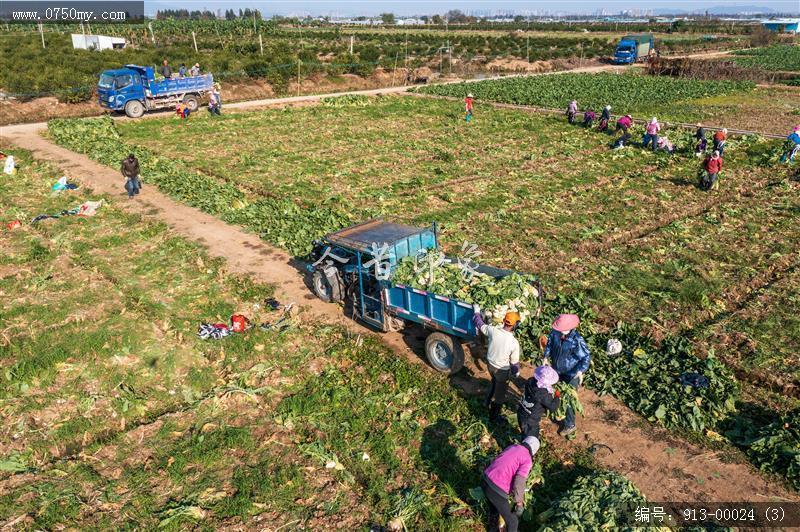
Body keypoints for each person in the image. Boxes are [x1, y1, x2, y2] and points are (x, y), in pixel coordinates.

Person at [542, 314, 590, 436]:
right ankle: (556, 412)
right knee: (555, 392)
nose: (560, 332)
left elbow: (585, 357)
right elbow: (549, 345)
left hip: (571, 373)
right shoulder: (555, 333)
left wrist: (580, 371)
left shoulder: (577, 340)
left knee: (569, 399)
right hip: (557, 370)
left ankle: (570, 424)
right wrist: (546, 357)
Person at [473, 306, 521, 423]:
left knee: (494, 382)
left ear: (504, 321)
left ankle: (486, 401)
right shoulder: (514, 343)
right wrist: (516, 373)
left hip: (490, 365)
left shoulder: (493, 330)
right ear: (515, 326)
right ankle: (494, 417)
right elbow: (514, 363)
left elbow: (478, 323)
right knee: (500, 395)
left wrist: (476, 311)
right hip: (502, 371)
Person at [481, 436, 540, 532]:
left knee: (494, 510)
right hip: (496, 489)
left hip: (485, 480)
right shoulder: (527, 459)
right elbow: (519, 481)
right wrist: (519, 502)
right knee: (513, 522)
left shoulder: (513, 447)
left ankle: (492, 530)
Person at [517, 365, 560, 438]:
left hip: (522, 411)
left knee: (524, 428)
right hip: (531, 419)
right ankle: (527, 446)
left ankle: (524, 436)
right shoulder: (544, 394)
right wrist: (557, 397)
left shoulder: (530, 380)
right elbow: (553, 407)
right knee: (531, 437)